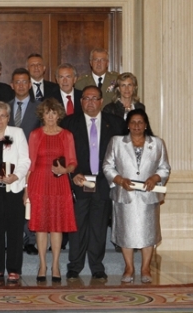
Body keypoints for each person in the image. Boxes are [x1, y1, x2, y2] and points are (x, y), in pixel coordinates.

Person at [60, 85, 125, 281]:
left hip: (104, 182)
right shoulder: (69, 123)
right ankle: (74, 267)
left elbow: (122, 154)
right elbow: (61, 153)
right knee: (77, 226)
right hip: (79, 181)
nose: (90, 102)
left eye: (94, 98)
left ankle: (97, 266)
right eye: (86, 98)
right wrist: (73, 174)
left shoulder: (116, 124)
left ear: (101, 101)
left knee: (98, 226)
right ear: (81, 102)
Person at [103, 109, 170, 283]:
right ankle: (129, 267)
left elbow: (164, 168)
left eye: (140, 122)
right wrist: (119, 180)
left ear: (146, 125)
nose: (136, 126)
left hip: (148, 197)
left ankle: (145, 268)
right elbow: (108, 166)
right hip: (125, 195)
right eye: (133, 122)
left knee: (148, 233)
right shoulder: (117, 142)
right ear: (128, 124)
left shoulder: (157, 143)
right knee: (126, 233)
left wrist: (155, 178)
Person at [26, 98, 77, 283]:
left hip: (59, 182)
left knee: (56, 226)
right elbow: (29, 164)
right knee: (40, 226)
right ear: (42, 115)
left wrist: (65, 170)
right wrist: (26, 189)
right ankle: (42, 264)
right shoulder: (35, 134)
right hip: (39, 181)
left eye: (53, 113)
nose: (50, 116)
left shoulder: (67, 135)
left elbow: (72, 162)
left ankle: (55, 264)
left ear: (58, 115)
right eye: (47, 113)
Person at [0, 101, 30, 283]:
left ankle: (14, 268)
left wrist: (16, 176)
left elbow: (25, 160)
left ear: (8, 117)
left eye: (3, 115)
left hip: (13, 187)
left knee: (14, 230)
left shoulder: (16, 133)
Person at [8, 68, 41, 256]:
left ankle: (30, 239)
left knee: (30, 200)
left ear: (30, 84)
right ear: (12, 85)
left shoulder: (40, 108)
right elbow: (1, 132)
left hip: (33, 161)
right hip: (10, 161)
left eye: (24, 82)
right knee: (12, 201)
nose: (20, 85)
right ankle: (13, 238)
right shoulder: (4, 106)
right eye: (17, 82)